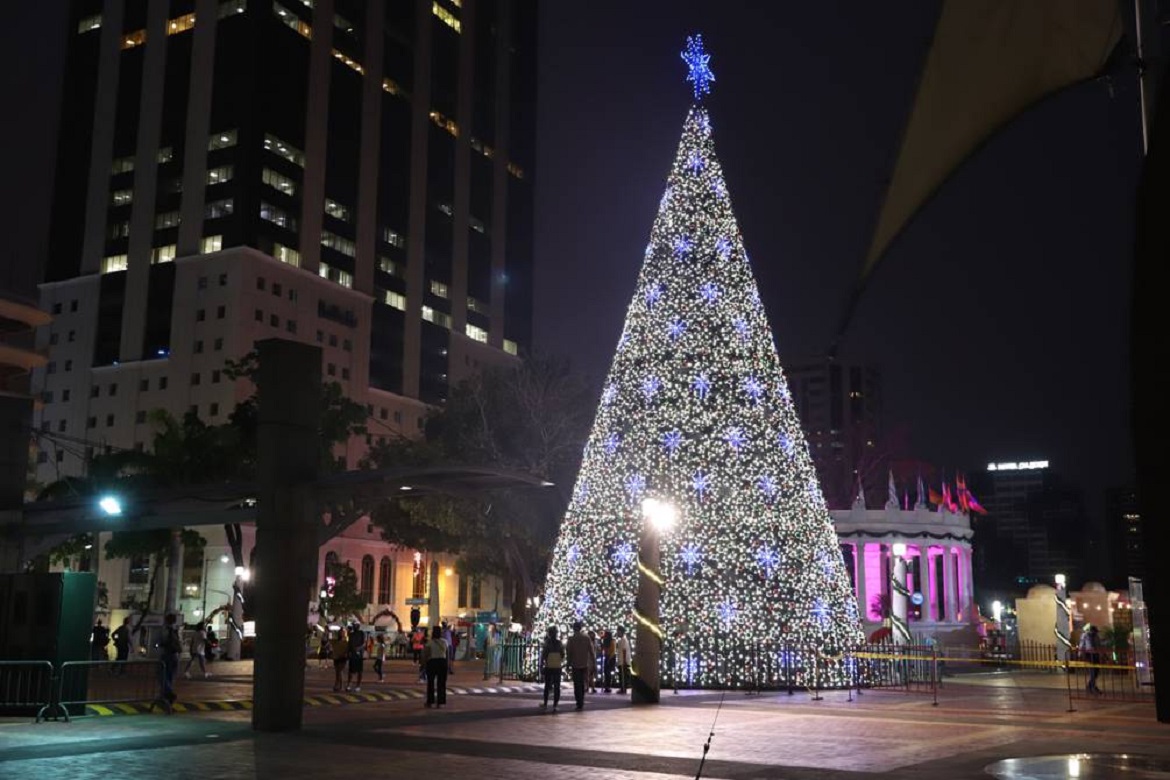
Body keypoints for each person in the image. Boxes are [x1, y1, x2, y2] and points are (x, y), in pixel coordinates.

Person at [565, 621, 596, 711]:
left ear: (574, 628)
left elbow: (569, 652)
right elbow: (591, 651)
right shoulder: (586, 638)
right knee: (583, 683)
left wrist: (568, 663)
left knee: (577, 684)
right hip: (584, 664)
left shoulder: (571, 639)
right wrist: (593, 663)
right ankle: (581, 700)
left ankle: (578, 702)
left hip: (575, 664)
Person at [158, 613, 182, 704]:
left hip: (166, 654)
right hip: (175, 654)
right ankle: (166, 695)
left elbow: (161, 641)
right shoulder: (176, 629)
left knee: (162, 675)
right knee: (171, 676)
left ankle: (168, 693)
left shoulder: (165, 629)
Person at [539, 626, 565, 712]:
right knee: (557, 685)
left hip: (549, 665)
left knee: (547, 685)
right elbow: (562, 654)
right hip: (557, 666)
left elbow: (544, 654)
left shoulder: (547, 643)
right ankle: (555, 704)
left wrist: (543, 663)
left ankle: (546, 703)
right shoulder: (559, 643)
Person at [423, 625, 449, 708]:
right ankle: (441, 702)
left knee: (430, 683)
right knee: (441, 683)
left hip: (432, 662)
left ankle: (430, 701)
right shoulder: (445, 642)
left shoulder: (429, 642)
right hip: (442, 662)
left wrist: (423, 664)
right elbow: (447, 654)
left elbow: (425, 654)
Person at [1080, 624, 1102, 694]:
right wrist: (1080, 654)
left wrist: (1101, 654)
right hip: (1089, 655)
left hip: (1095, 654)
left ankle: (1090, 686)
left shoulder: (1096, 636)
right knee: (1092, 672)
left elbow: (1099, 644)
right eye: (1094, 632)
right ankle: (1093, 687)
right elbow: (1082, 644)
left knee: (1096, 671)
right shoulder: (1085, 636)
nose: (1095, 633)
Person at [346, 622, 366, 692]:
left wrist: (358, 648)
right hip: (352, 654)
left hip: (359, 654)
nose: (354, 627)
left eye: (355, 626)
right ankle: (349, 684)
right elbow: (349, 644)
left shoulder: (361, 633)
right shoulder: (351, 634)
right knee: (351, 671)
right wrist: (348, 653)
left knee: (359, 671)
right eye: (354, 626)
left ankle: (358, 685)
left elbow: (363, 643)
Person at [615, 626, 632, 694]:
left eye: (618, 631)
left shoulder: (623, 640)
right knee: (622, 675)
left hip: (623, 661)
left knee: (623, 676)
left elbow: (624, 650)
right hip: (622, 661)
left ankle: (623, 689)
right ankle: (622, 688)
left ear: (621, 632)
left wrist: (624, 660)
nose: (617, 633)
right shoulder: (622, 640)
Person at [332, 626, 349, 692]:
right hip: (336, 657)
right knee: (338, 672)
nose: (341, 634)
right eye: (340, 632)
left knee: (339, 671)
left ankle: (338, 685)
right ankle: (339, 685)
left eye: (342, 632)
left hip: (342, 658)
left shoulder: (346, 642)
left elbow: (347, 651)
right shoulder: (335, 641)